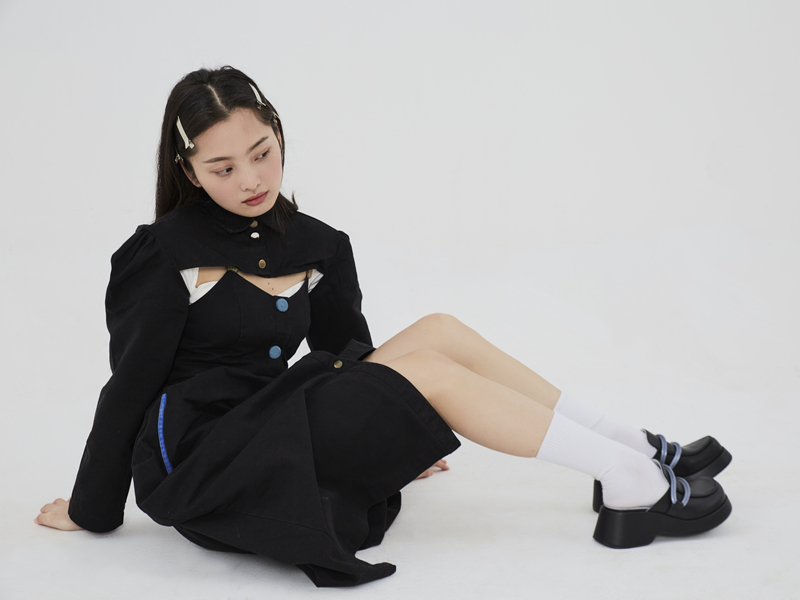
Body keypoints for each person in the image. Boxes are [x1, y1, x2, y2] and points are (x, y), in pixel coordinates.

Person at [35, 66, 732, 587]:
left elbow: (346, 352)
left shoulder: (315, 242)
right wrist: (94, 508)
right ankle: (626, 479)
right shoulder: (164, 255)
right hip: (205, 456)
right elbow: (128, 388)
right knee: (425, 372)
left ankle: (632, 443)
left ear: (278, 135)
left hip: (276, 418)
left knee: (439, 330)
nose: (251, 179)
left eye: (263, 152)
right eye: (222, 167)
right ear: (188, 172)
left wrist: (392, 431)